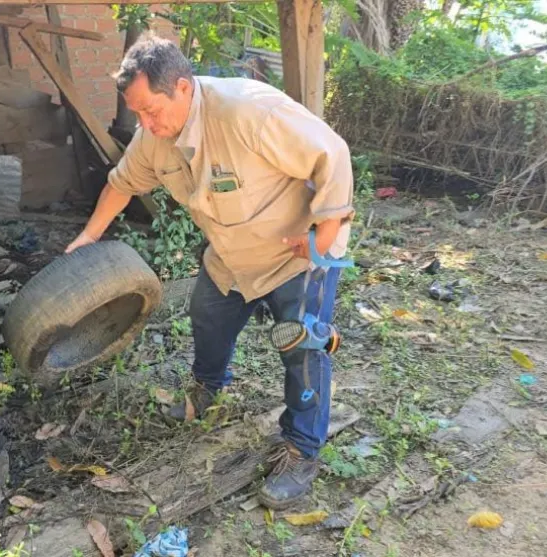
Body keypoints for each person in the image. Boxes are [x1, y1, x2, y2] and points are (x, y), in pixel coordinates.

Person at [64, 34, 354, 510]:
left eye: (151, 111)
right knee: (207, 316)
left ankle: (302, 450)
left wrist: (323, 236)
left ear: (182, 87)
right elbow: (122, 184)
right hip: (232, 254)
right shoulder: (153, 137)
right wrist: (89, 236)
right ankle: (207, 391)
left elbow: (333, 153)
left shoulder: (248, 111)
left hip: (295, 254)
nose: (146, 125)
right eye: (137, 113)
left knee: (301, 343)